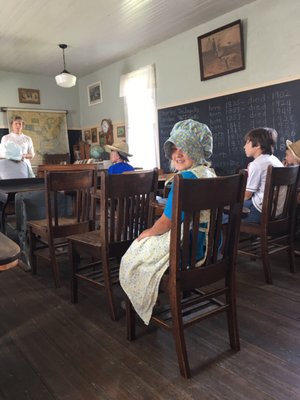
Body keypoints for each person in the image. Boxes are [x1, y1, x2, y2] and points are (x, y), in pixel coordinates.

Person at [119, 119, 216, 325]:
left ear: (197, 150)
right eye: (174, 149)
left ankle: (140, 300)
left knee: (133, 255)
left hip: (186, 250)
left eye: (185, 148)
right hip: (210, 245)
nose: (177, 154)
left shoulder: (184, 180)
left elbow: (165, 222)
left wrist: (147, 233)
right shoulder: (210, 174)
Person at [243, 127, 284, 223]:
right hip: (277, 211)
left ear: (257, 145)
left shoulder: (257, 164)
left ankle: (223, 237)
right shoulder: (274, 159)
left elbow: (246, 196)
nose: (244, 146)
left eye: (247, 143)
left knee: (219, 212)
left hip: (260, 212)